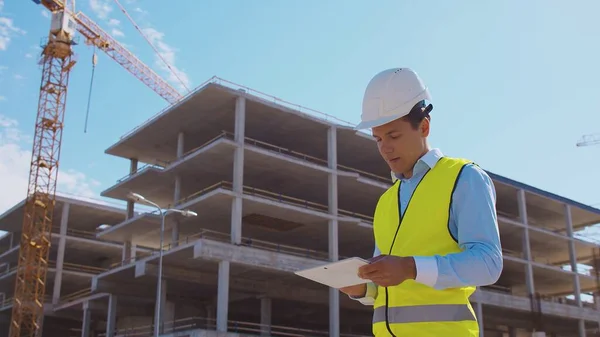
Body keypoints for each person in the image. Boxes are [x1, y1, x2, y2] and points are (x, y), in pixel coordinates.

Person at [340, 68, 503, 337]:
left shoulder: (464, 178)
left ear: (424, 126)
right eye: (378, 139)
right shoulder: (386, 201)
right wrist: (362, 289)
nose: (385, 148)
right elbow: (386, 289)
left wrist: (410, 267)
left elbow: (488, 264)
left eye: (393, 136)